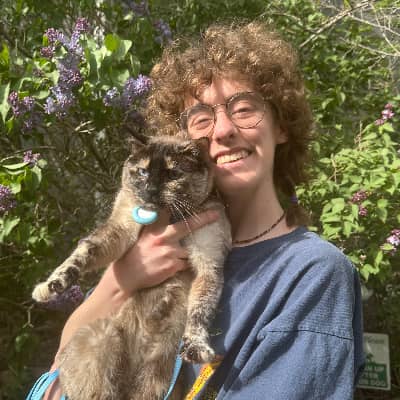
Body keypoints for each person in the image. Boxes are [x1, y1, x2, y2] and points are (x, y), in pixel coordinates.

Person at [41, 22, 364, 400]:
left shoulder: (311, 273)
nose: (223, 130)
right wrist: (118, 281)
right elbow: (58, 375)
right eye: (201, 119)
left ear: (281, 127)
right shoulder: (154, 245)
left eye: (244, 109)